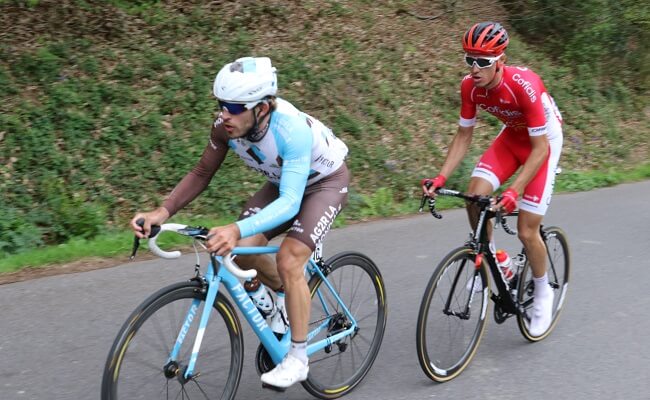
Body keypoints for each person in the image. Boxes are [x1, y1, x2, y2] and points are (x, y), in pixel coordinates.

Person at [130, 56, 350, 388]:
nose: (224, 114)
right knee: (241, 251)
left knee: (289, 258)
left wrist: (234, 228)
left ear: (262, 108)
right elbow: (202, 172)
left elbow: (291, 202)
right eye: (221, 105)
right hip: (283, 182)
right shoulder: (225, 128)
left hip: (324, 184)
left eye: (234, 107)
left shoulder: (290, 130)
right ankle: (282, 302)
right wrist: (162, 212)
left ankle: (298, 357)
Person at [421, 22, 563, 336]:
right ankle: (497, 259)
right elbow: (463, 135)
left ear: (500, 60)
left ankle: (543, 292)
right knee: (475, 196)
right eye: (468, 59)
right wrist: (441, 176)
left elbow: (540, 149)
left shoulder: (524, 84)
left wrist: (514, 190)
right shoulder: (469, 86)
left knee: (527, 229)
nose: (474, 68)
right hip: (512, 138)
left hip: (543, 144)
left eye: (482, 61)